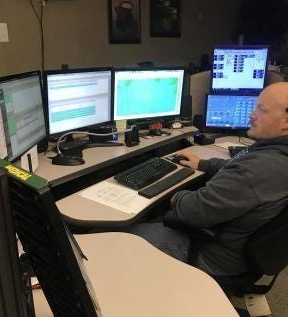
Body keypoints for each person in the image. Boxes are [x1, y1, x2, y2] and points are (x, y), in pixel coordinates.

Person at [123, 82, 288, 276]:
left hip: (213, 255)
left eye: (262, 109)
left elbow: (192, 211)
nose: (252, 115)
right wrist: (204, 165)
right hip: (245, 248)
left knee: (127, 236)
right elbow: (239, 164)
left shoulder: (258, 169)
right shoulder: (273, 153)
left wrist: (175, 195)